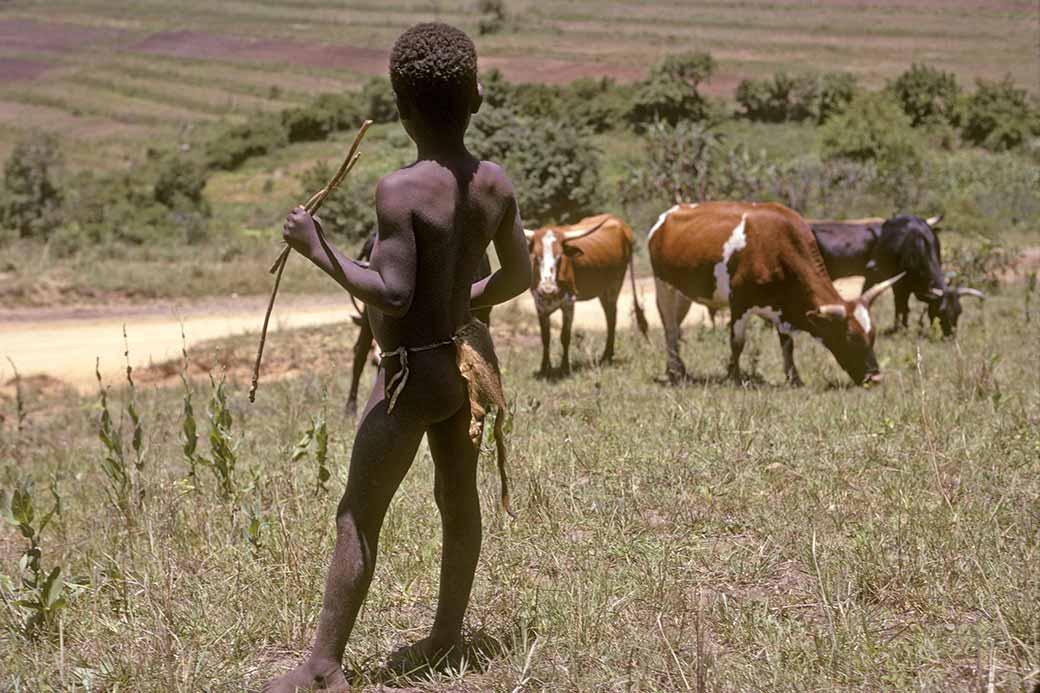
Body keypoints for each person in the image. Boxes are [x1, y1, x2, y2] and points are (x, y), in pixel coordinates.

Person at [265, 22, 530, 692]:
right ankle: (447, 637)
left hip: (409, 375)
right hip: (461, 366)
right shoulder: (495, 183)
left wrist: (317, 247)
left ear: (401, 106)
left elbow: (391, 289)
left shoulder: (401, 191)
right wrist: (463, 301)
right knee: (456, 498)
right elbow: (519, 276)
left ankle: (323, 667)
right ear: (476, 96)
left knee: (358, 512)